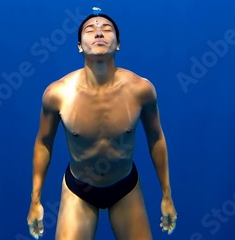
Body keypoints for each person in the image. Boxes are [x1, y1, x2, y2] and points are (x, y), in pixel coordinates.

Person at [27, 13, 177, 239]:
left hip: (125, 187)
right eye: (89, 29)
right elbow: (43, 143)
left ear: (118, 44)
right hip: (79, 190)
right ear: (79, 46)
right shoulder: (58, 94)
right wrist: (35, 200)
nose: (98, 32)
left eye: (107, 29)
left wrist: (167, 195)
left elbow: (156, 137)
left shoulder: (141, 90)